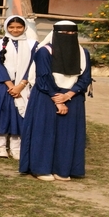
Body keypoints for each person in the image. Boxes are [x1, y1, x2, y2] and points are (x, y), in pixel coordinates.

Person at [20, 21, 91, 181]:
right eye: (64, 34)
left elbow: (85, 78)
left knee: (67, 134)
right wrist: (57, 99)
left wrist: (68, 95)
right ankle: (41, 168)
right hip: (46, 96)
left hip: (73, 97)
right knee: (44, 132)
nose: (69, 37)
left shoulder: (82, 53)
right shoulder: (44, 52)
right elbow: (43, 76)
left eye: (72, 34)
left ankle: (63, 169)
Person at [0, 16, 37, 159]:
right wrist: (11, 85)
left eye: (19, 27)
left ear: (24, 27)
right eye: (11, 27)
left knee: (19, 114)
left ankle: (16, 146)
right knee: (2, 114)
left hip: (23, 86)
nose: (15, 30)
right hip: (2, 85)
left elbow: (33, 66)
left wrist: (21, 85)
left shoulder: (33, 45)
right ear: (6, 28)